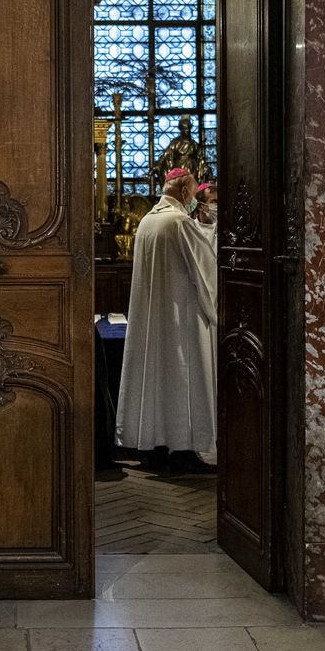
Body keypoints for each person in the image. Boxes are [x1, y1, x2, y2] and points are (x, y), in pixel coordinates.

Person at [114, 167, 218, 475]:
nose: (195, 199)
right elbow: (205, 268)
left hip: (153, 318)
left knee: (156, 382)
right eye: (194, 192)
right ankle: (183, 449)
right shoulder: (179, 222)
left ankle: (155, 447)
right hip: (181, 319)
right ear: (184, 191)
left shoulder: (148, 220)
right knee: (183, 380)